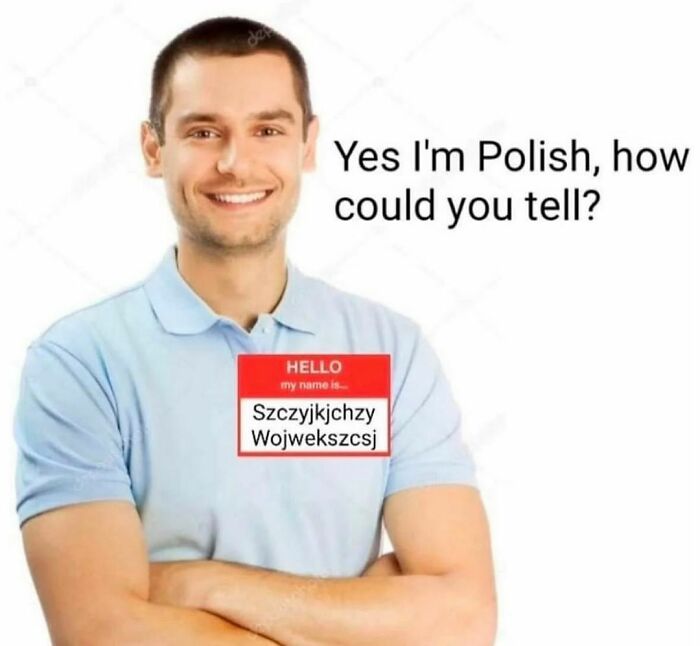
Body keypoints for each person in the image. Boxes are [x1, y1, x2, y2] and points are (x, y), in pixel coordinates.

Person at [13, 16, 497, 645]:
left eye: (268, 129)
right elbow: (102, 632)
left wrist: (203, 582)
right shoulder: (80, 363)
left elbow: (461, 621)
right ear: (154, 149)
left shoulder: (389, 351)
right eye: (204, 131)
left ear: (308, 145)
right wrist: (369, 621)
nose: (236, 163)